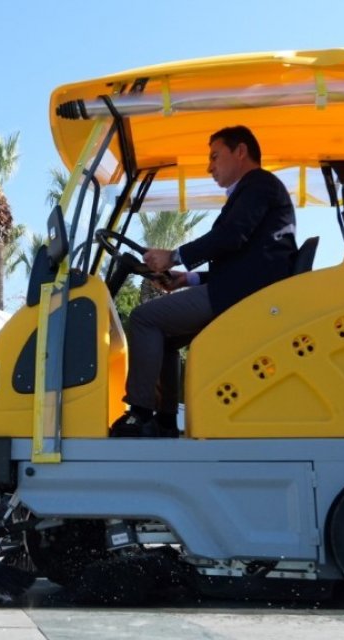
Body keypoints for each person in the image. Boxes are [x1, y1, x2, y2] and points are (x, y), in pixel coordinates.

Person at [113, 125, 297, 437]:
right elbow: (243, 259)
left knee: (144, 319)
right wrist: (188, 278)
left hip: (243, 295)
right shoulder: (255, 190)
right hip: (242, 288)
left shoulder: (258, 185)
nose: (210, 166)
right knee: (166, 338)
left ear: (240, 152)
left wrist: (173, 257)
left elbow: (230, 237)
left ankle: (140, 414)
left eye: (215, 156)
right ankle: (165, 420)